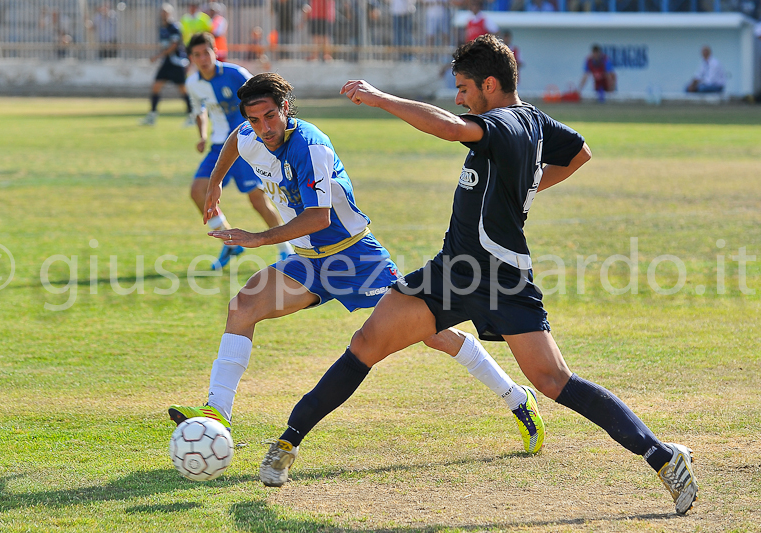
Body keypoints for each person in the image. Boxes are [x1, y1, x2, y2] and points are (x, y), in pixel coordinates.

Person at [258, 35, 699, 518]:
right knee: (366, 343)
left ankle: (663, 456)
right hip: (452, 270)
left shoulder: (505, 124)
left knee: (552, 380)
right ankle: (287, 442)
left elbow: (450, 129)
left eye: (465, 88)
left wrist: (381, 98)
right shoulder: (534, 119)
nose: (460, 98)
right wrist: (523, 189)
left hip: (503, 278)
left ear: (491, 85)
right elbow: (580, 152)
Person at [168, 72, 545, 462]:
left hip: (356, 258)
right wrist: (215, 182)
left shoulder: (310, 146)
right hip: (308, 262)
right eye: (254, 120)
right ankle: (217, 413)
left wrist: (259, 238)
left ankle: (518, 398)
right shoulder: (250, 135)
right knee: (241, 307)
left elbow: (318, 217)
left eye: (270, 116)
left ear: (285, 109)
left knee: (434, 334)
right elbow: (234, 141)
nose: (263, 128)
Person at [185, 32, 294, 269]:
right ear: (191, 58)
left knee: (257, 200)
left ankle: (286, 249)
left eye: (206, 52)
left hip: (244, 146)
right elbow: (198, 110)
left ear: (215, 51)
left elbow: (261, 96)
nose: (203, 58)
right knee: (198, 191)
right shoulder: (193, 83)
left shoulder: (235, 75)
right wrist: (202, 135)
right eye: (197, 55)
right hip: (218, 146)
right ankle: (231, 245)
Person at [140, 4, 193, 127]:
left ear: (170, 14)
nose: (163, 14)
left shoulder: (174, 27)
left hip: (176, 63)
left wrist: (157, 56)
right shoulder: (161, 28)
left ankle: (192, 115)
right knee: (156, 87)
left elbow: (173, 46)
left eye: (166, 12)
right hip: (167, 63)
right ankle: (152, 116)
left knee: (183, 90)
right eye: (162, 12)